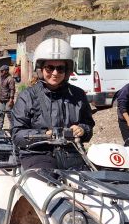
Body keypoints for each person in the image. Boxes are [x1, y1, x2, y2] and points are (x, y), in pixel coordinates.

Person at [11, 38, 94, 170]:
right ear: (40, 69)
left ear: (67, 71)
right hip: (37, 154)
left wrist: (82, 130)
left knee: (89, 186)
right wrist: (44, 135)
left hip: (72, 153)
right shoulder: (27, 96)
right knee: (46, 186)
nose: (55, 73)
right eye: (49, 68)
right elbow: (17, 135)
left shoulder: (78, 95)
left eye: (60, 68)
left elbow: (88, 125)